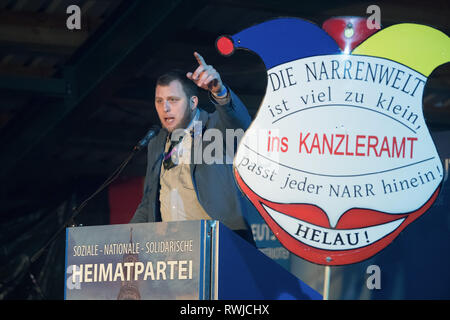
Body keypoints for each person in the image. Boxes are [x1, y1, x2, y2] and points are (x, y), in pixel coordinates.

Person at [130, 52, 255, 244]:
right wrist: (126, 241)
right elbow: (149, 201)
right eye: (159, 101)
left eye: (173, 100)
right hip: (170, 251)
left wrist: (219, 92)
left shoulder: (215, 127)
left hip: (219, 245)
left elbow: (240, 123)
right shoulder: (157, 142)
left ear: (193, 102)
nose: (165, 108)